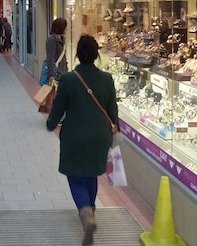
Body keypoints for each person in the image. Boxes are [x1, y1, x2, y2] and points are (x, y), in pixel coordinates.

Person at [46, 34, 119, 246]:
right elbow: (112, 108)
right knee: (91, 174)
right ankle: (92, 209)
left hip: (74, 135)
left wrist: (51, 124)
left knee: (75, 175)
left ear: (78, 54)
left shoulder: (68, 79)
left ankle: (86, 212)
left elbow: (58, 108)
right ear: (97, 54)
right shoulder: (107, 79)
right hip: (99, 135)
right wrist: (116, 130)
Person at [46, 18, 68, 83]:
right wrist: (51, 75)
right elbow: (50, 58)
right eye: (65, 27)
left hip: (62, 70)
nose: (66, 28)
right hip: (56, 71)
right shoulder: (52, 40)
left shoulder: (62, 39)